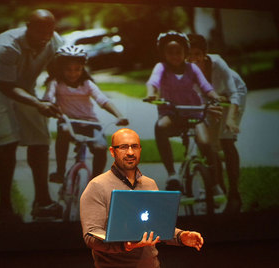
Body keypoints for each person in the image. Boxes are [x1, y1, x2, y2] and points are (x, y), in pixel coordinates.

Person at [0, 9, 64, 222]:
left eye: (48, 32)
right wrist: (38, 103)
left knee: (40, 139)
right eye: (39, 32)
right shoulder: (6, 46)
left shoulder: (54, 39)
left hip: (23, 85)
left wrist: (55, 85)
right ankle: (4, 206)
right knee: (8, 141)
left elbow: (60, 67)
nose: (44, 38)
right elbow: (7, 87)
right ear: (28, 27)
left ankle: (42, 201)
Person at [80, 128, 204, 267]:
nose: (130, 152)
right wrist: (125, 245)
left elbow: (158, 226)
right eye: (123, 147)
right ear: (112, 151)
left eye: (134, 146)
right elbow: (90, 236)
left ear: (140, 149)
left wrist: (181, 237)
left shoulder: (149, 183)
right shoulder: (97, 186)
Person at [146, 31, 223, 194]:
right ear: (164, 54)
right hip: (171, 113)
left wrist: (215, 96)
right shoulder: (161, 67)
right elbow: (153, 81)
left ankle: (214, 183)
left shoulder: (192, 68)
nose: (175, 56)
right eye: (170, 52)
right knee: (160, 127)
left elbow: (205, 86)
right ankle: (172, 174)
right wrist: (151, 93)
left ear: (185, 52)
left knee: (205, 143)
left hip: (194, 112)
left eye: (179, 52)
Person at [43, 45, 129, 183]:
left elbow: (103, 100)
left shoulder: (87, 84)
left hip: (91, 123)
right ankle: (60, 171)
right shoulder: (56, 83)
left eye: (77, 69)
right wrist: (49, 105)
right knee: (63, 130)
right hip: (69, 123)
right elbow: (48, 98)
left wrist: (119, 115)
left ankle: (95, 183)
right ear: (60, 69)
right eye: (68, 69)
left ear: (83, 68)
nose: (73, 73)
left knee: (100, 148)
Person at [188, 33, 247, 213]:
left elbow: (233, 91)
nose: (193, 59)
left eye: (197, 54)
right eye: (189, 55)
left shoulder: (218, 63)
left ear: (204, 53)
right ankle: (219, 187)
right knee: (210, 146)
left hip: (233, 96)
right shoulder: (186, 70)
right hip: (211, 101)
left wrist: (229, 118)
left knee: (227, 140)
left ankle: (235, 195)